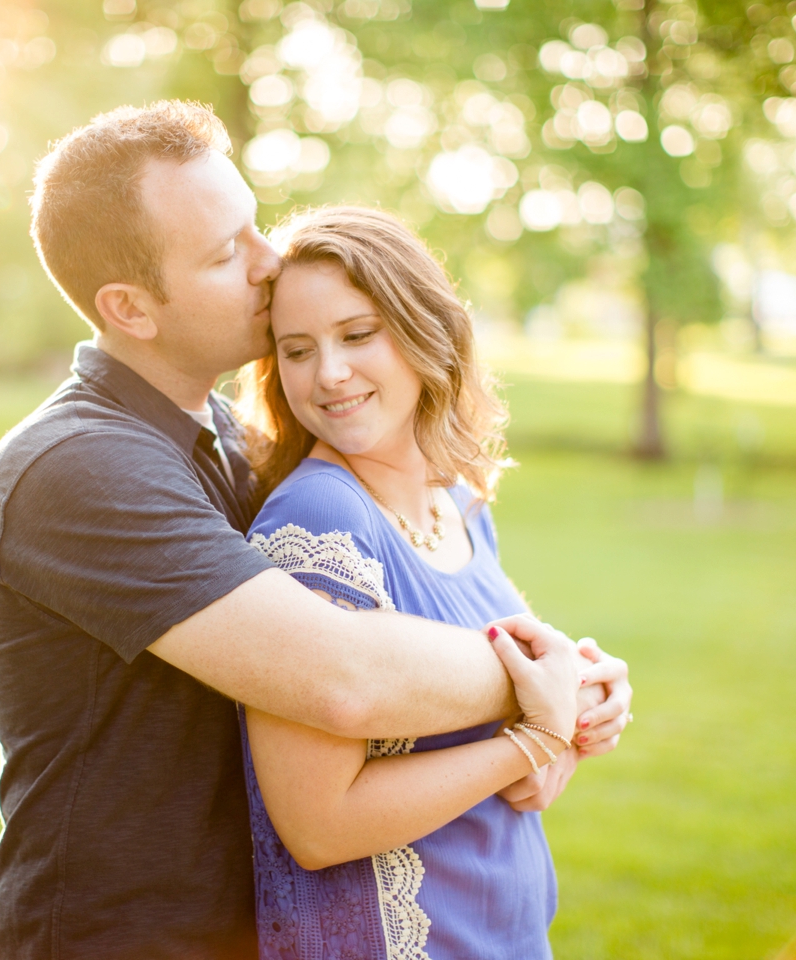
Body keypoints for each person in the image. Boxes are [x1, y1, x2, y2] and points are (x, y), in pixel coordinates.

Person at [0, 99, 633, 960]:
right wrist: (556, 684)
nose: (267, 260)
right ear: (130, 307)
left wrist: (569, 680)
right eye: (224, 252)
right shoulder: (77, 468)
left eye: (253, 226)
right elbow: (341, 673)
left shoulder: (236, 448)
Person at [235, 206, 601, 959]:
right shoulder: (319, 517)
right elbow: (317, 825)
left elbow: (512, 714)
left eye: (358, 334)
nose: (329, 373)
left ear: (422, 328)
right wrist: (535, 738)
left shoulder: (458, 501)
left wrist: (587, 697)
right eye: (297, 350)